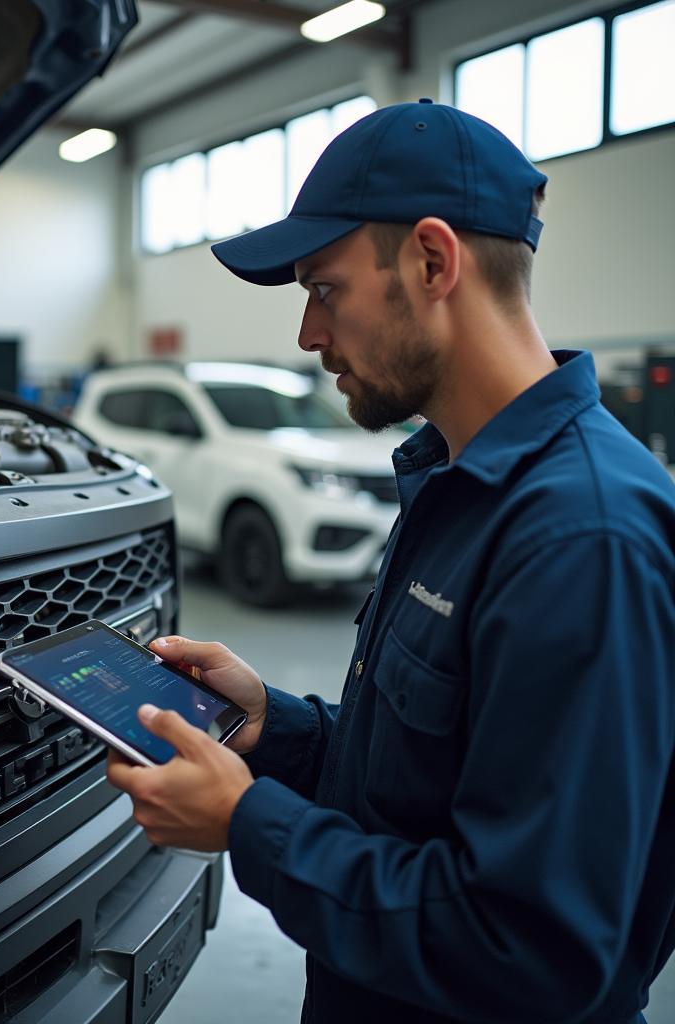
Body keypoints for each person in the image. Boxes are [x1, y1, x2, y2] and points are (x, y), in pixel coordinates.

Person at [106, 99, 675, 1023]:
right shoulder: (455, 483)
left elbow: (535, 948)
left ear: (433, 261)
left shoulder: (581, 538)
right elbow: (429, 790)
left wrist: (250, 825)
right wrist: (272, 728)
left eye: (323, 288)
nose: (306, 334)